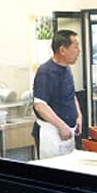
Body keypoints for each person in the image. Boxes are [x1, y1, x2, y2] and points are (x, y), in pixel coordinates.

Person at [32, 29, 83, 159]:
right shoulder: (45, 72)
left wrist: (78, 116)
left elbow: (71, 94)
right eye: (75, 47)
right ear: (62, 50)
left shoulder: (67, 69)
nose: (79, 51)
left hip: (68, 130)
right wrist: (61, 126)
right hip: (52, 133)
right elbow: (40, 105)